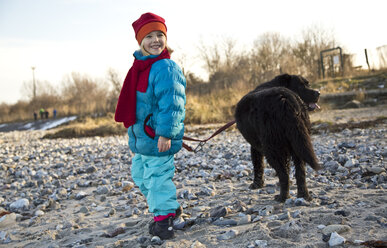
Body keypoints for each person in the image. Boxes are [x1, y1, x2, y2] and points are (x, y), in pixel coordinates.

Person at [114, 12, 186, 240]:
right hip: (143, 138)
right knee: (140, 176)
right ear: (140, 41)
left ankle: (164, 221)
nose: (155, 40)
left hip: (157, 137)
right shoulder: (140, 67)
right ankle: (170, 208)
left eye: (160, 35)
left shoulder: (166, 67)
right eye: (149, 36)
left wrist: (165, 134)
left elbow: (172, 105)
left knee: (157, 179)